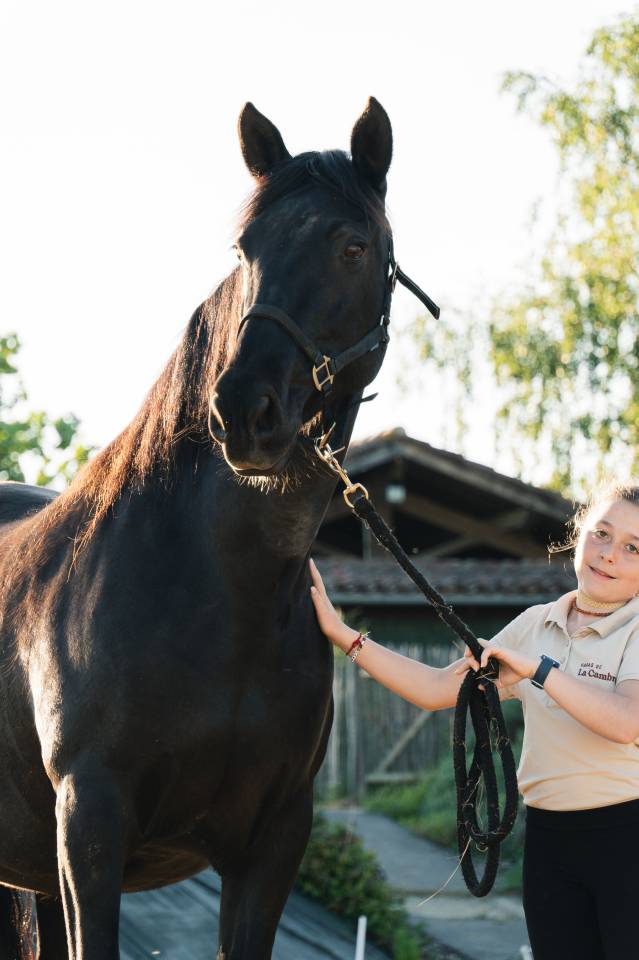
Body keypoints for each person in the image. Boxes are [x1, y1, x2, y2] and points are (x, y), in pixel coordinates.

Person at [309, 482, 639, 960]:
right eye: (601, 534)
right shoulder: (535, 624)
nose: (609, 555)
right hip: (549, 841)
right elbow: (437, 690)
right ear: (579, 534)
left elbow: (626, 721)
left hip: (625, 839)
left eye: (633, 547)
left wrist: (538, 670)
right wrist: (344, 636)